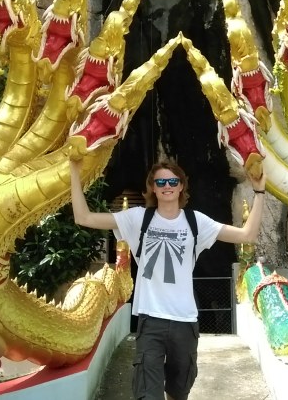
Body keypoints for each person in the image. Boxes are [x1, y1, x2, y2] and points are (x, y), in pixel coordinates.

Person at [70, 158, 266, 400]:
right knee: (147, 393)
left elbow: (248, 234)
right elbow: (83, 217)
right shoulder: (137, 218)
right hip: (151, 320)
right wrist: (74, 172)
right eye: (160, 181)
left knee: (179, 389)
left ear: (181, 186)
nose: (167, 186)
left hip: (185, 320)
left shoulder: (196, 222)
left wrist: (259, 191)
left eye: (173, 181)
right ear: (152, 187)